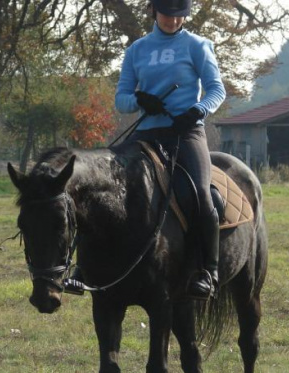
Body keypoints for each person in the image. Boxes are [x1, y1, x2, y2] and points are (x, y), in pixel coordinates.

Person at [115, 0, 226, 300]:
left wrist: (198, 110)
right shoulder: (136, 50)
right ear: (154, 11)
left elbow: (217, 89)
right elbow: (121, 99)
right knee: (108, 186)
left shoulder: (197, 45)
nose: (173, 21)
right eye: (167, 15)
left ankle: (209, 272)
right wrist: (140, 100)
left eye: (180, 17)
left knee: (202, 195)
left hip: (186, 130)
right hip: (147, 132)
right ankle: (87, 267)